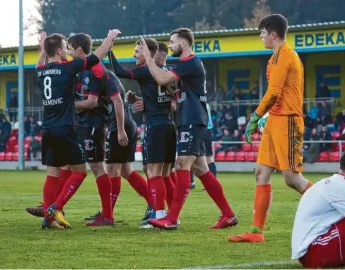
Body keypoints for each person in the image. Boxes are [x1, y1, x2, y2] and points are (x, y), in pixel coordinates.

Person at [139, 28, 237, 230]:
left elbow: (162, 79)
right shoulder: (187, 64)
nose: (170, 45)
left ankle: (172, 218)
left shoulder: (190, 62)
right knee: (201, 168)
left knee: (182, 164)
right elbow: (172, 88)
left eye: (173, 41)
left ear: (183, 44)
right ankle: (228, 214)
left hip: (192, 119)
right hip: (190, 118)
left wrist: (149, 58)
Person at [228, 14, 313, 242]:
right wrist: (266, 117)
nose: (260, 36)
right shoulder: (276, 56)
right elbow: (278, 93)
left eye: (262, 33)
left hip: (288, 120)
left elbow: (274, 91)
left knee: (292, 179)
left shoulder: (284, 55)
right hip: (275, 120)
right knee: (261, 173)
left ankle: (343, 208)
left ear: (272, 34)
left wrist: (256, 116)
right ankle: (256, 232)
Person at [35, 30, 120, 229]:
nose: (68, 51)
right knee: (80, 172)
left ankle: (48, 219)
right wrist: (109, 38)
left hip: (47, 129)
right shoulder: (67, 68)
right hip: (65, 128)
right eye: (65, 47)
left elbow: (38, 63)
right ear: (58, 50)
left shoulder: (40, 71)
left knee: (52, 173)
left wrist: (42, 48)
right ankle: (55, 207)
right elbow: (95, 57)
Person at [108, 38, 176, 224]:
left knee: (153, 172)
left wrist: (109, 50)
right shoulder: (166, 71)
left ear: (148, 53)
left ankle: (159, 216)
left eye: (137, 51)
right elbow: (167, 99)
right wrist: (140, 99)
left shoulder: (146, 70)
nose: (133, 55)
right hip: (170, 126)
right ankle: (172, 216)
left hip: (155, 127)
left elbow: (120, 71)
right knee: (165, 174)